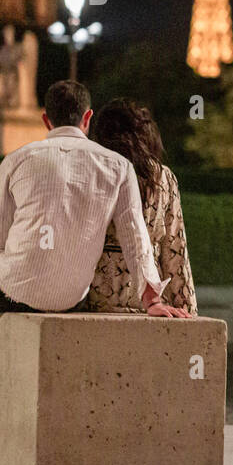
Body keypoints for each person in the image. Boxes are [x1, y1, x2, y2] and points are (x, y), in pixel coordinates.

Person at [0, 80, 191, 465]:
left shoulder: (17, 159)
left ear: (45, 119)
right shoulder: (117, 167)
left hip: (13, 287)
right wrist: (152, 299)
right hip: (72, 293)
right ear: (87, 118)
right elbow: (137, 239)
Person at [86, 99, 197, 317]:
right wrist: (188, 309)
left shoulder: (93, 170)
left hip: (94, 293)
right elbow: (174, 247)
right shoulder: (162, 177)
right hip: (146, 297)